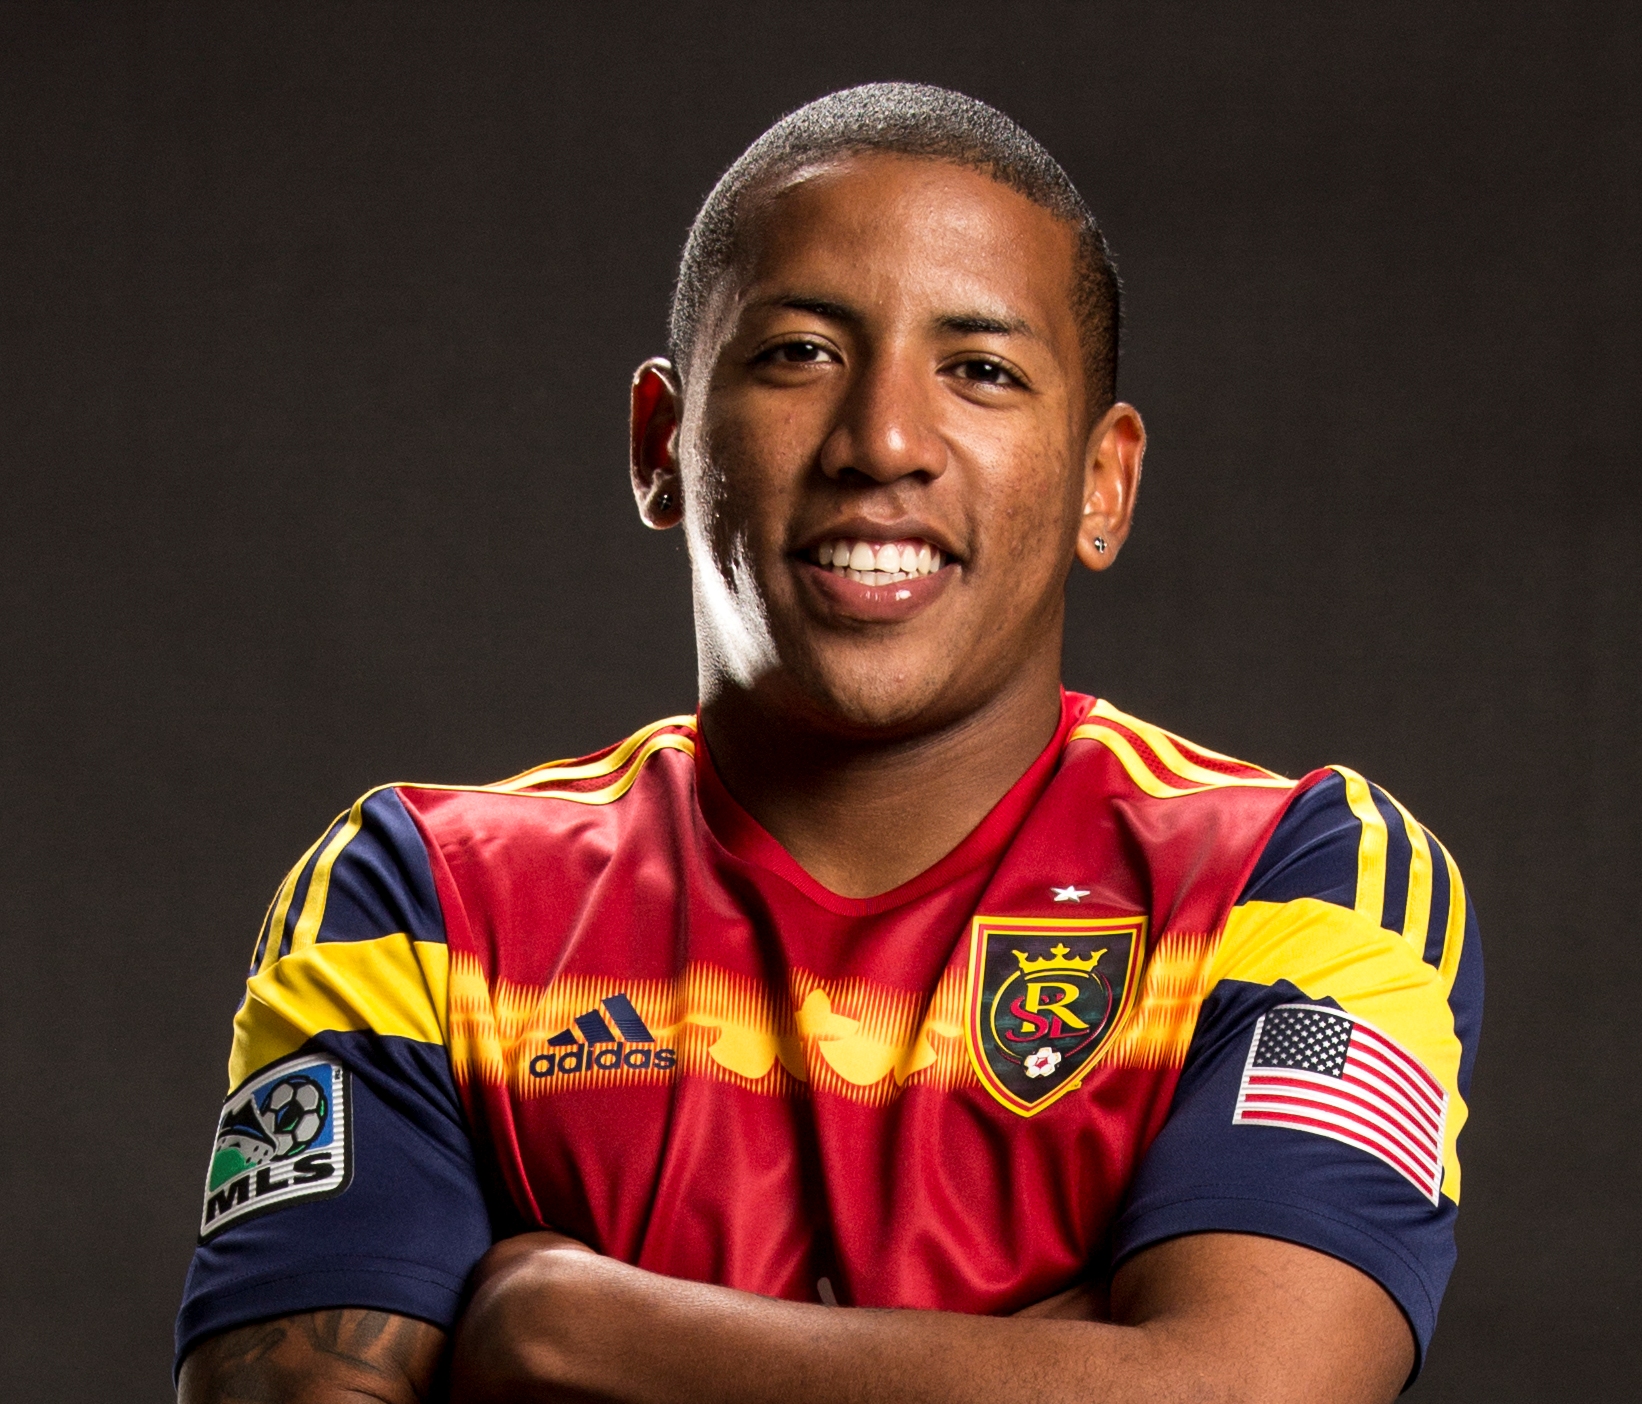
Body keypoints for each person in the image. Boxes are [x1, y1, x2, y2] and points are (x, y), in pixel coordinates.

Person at [175, 83, 1481, 1404]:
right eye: (800, 353)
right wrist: (1085, 1357)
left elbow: (1257, 1389)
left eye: (980, 371)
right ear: (662, 444)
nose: (883, 443)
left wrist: (565, 1328)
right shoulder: (423, 899)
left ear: (1104, 481)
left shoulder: (1301, 877)